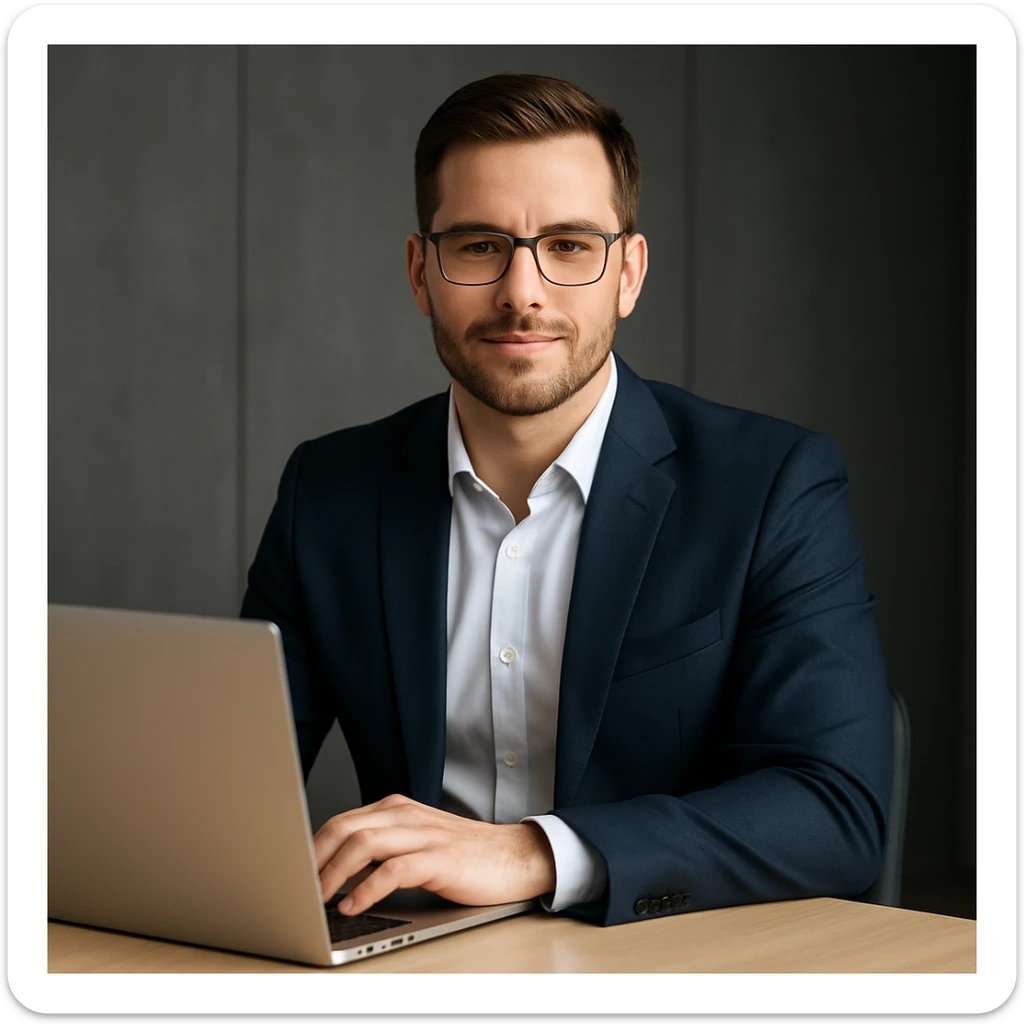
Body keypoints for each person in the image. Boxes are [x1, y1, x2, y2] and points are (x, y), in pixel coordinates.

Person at [240, 73, 893, 927]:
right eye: (479, 246)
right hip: (418, 965)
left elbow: (836, 810)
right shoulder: (326, 493)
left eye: (571, 246)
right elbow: (226, 796)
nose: (523, 293)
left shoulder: (773, 484)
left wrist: (531, 852)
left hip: (671, 965)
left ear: (629, 273)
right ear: (420, 273)